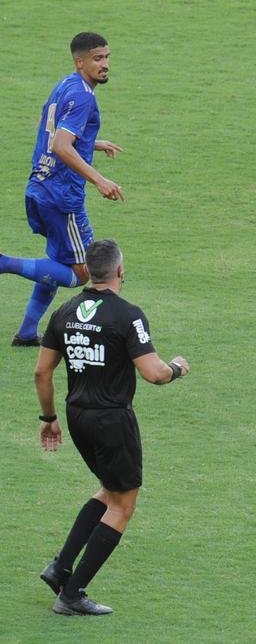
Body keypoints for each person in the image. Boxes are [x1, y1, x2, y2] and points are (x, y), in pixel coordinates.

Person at [34, 239, 191, 615]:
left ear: (87, 271)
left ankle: (60, 566)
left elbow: (42, 371)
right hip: (112, 420)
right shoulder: (127, 315)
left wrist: (49, 419)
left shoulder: (65, 311)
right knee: (124, 503)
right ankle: (72, 594)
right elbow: (154, 374)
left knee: (108, 490)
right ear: (120, 271)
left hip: (76, 417)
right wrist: (177, 368)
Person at [1, 32, 124, 348]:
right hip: (62, 196)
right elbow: (60, 144)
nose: (105, 64)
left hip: (40, 185)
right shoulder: (84, 96)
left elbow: (53, 131)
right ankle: (3, 263)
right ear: (79, 61)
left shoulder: (66, 84)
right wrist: (100, 180)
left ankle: (27, 332)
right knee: (82, 272)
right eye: (98, 58)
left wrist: (89, 144)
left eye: (107, 57)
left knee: (56, 262)